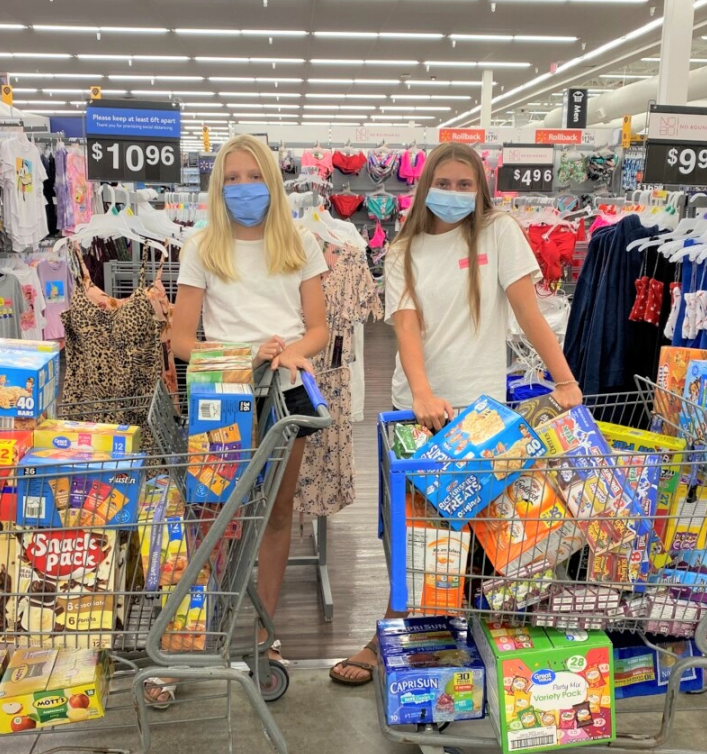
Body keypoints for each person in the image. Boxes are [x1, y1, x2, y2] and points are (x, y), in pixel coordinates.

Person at [329, 142, 583, 686]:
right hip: (416, 414)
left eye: (465, 185)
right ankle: (394, 630)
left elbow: (527, 312)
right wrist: (421, 393)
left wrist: (565, 379)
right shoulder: (403, 250)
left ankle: (470, 642)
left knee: (480, 539)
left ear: (481, 190)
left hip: (484, 416)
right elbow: (404, 324)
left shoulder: (500, 233)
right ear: (425, 188)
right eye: (443, 183)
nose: (453, 194)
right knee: (411, 535)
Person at [158, 134, 328, 703]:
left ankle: (264, 634)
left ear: (271, 183)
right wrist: (241, 356)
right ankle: (190, 638)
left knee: (276, 515)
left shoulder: (301, 243)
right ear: (216, 186)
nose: (241, 188)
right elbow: (182, 340)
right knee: (209, 518)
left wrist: (291, 352)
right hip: (222, 397)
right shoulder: (202, 246)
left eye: (250, 176)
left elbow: (319, 328)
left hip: (284, 393)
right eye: (229, 178)